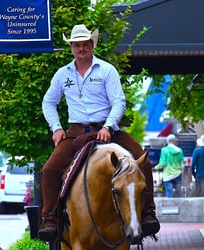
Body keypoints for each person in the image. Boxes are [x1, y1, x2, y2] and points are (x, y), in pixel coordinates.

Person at [38, 24, 160, 241]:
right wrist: (56, 128)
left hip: (108, 129)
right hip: (76, 132)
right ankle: (50, 218)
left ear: (92, 45)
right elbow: (49, 102)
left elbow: (118, 102)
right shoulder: (62, 74)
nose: (81, 48)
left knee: (143, 162)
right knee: (49, 170)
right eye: (77, 45)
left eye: (85, 44)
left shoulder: (106, 70)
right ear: (71, 47)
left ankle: (148, 212)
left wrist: (108, 126)